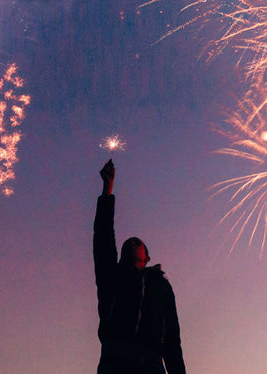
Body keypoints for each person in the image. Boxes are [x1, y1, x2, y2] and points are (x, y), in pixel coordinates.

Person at [93, 159, 186, 374]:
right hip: (114, 363)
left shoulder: (160, 285)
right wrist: (107, 190)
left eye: (138, 241)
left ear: (146, 258)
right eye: (129, 240)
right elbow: (103, 239)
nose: (133, 239)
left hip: (151, 365)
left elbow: (172, 339)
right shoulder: (111, 276)